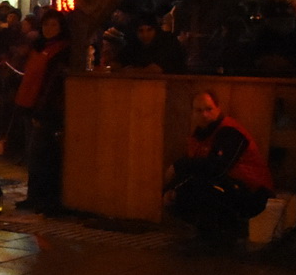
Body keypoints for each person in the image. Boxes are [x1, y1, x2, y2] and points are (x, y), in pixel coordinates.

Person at [165, 90, 274, 249]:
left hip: (253, 193)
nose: (204, 114)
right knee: (181, 190)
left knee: (203, 187)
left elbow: (215, 168)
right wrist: (171, 189)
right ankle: (207, 233)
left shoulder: (229, 132)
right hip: (229, 187)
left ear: (218, 108)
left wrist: (179, 166)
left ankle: (222, 235)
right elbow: (194, 167)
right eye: (199, 110)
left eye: (209, 109)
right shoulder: (199, 136)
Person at [13, 10, 69, 211]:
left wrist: (42, 111)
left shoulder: (61, 51)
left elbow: (51, 85)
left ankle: (45, 199)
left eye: (54, 25)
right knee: (33, 154)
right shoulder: (39, 48)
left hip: (46, 110)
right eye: (46, 25)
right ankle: (34, 196)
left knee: (44, 155)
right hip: (31, 106)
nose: (49, 29)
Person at [117, 16, 186, 74]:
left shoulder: (167, 42)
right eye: (140, 31)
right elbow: (119, 62)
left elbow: (156, 69)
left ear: (156, 30)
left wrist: (133, 71)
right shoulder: (134, 45)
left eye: (149, 30)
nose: (145, 35)